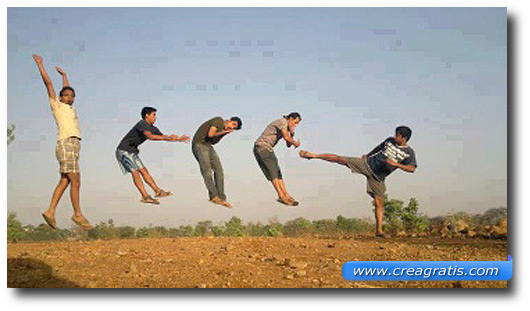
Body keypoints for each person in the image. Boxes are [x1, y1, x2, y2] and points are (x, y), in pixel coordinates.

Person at [299, 126, 417, 237]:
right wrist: (368, 155)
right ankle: (314, 156)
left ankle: (379, 231)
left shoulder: (409, 152)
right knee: (341, 159)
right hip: (367, 164)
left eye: (397, 135)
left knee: (379, 202)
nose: (394, 136)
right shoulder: (390, 140)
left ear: (403, 138)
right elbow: (379, 147)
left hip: (378, 178)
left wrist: (395, 164)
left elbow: (412, 168)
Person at [33, 54, 92, 230]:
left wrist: (64, 76)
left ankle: (50, 211)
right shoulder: (57, 106)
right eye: (66, 95)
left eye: (72, 95)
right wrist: (40, 64)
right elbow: (49, 85)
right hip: (65, 143)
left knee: (66, 180)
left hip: (74, 145)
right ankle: (77, 213)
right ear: (60, 98)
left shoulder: (70, 107)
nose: (69, 97)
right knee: (76, 179)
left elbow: (65, 88)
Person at [116, 107, 190, 204]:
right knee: (135, 172)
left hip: (132, 151)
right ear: (147, 116)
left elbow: (162, 137)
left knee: (144, 170)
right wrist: (167, 137)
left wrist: (177, 139)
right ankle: (145, 196)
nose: (155, 117)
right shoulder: (142, 123)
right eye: (153, 115)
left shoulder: (153, 128)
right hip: (123, 151)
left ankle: (158, 191)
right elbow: (150, 136)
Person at [192, 116, 242, 208]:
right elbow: (210, 134)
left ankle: (221, 197)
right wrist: (224, 132)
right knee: (207, 171)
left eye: (234, 128)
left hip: (208, 146)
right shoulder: (219, 120)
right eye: (233, 124)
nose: (232, 127)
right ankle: (213, 196)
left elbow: (214, 141)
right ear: (229, 120)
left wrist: (224, 134)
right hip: (199, 145)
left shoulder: (222, 129)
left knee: (219, 171)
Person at [254, 113, 302, 206]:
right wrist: (295, 143)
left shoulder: (286, 126)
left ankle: (286, 195)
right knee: (273, 173)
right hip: (262, 147)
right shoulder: (282, 122)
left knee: (278, 173)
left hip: (268, 149)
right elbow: (286, 138)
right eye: (295, 122)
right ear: (290, 119)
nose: (295, 125)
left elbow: (288, 144)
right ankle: (281, 196)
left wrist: (292, 132)